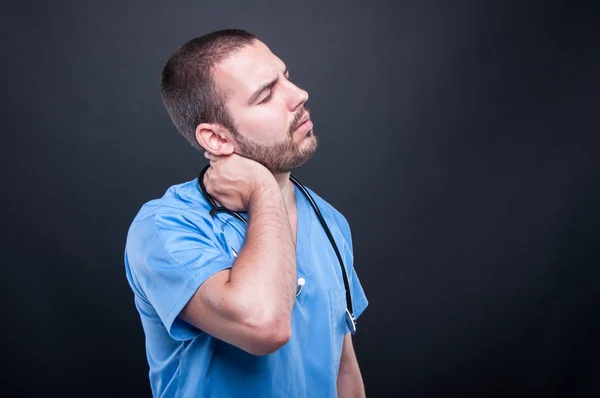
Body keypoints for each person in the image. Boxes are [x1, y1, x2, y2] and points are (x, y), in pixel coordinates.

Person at [124, 28, 369, 397]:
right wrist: (263, 188)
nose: (299, 95)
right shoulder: (164, 228)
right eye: (267, 95)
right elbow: (264, 326)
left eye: (285, 77)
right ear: (218, 139)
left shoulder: (329, 221)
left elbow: (343, 368)